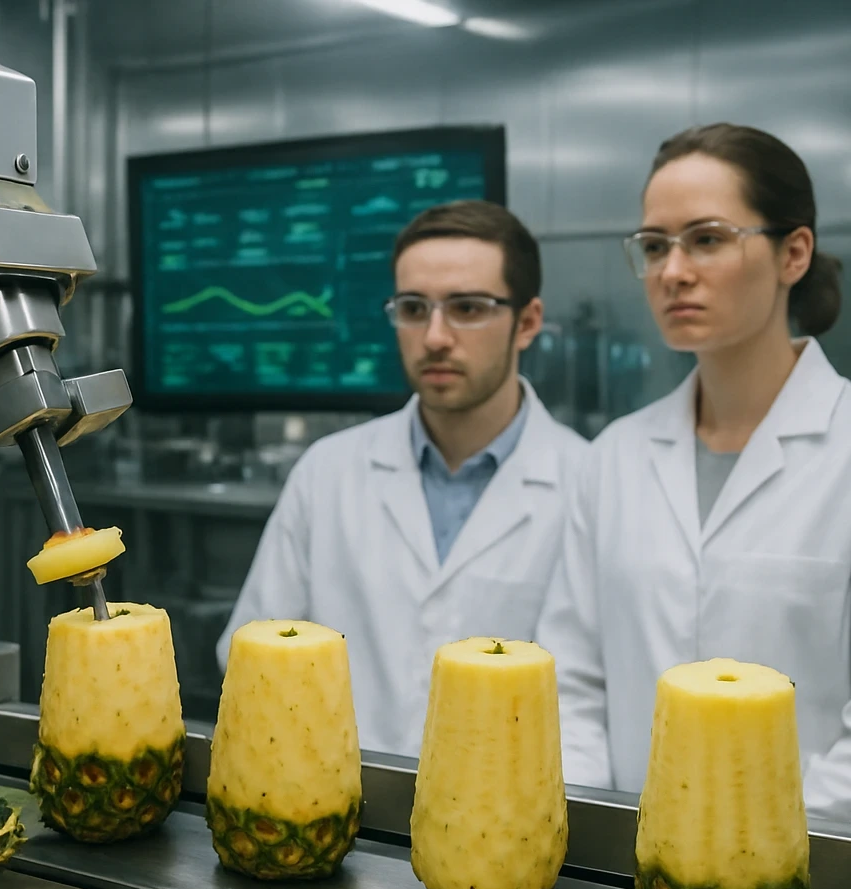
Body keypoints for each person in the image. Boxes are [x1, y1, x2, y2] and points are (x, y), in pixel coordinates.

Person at [537, 123, 851, 833]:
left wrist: (751, 856)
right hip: (623, 876)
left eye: (708, 238)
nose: (673, 270)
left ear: (794, 253)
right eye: (655, 245)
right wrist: (599, 841)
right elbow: (572, 684)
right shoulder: (615, 458)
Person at [217, 199, 590, 757]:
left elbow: (590, 707)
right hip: (337, 811)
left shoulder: (590, 484)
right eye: (414, 309)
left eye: (467, 308)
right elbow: (250, 656)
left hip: (510, 824)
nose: (435, 336)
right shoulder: (329, 471)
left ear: (528, 322)